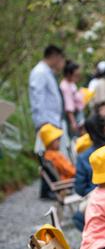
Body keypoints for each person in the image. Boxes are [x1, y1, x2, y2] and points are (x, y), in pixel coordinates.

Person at [29, 44, 68, 197]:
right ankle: (47, 190)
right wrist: (42, 123)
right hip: (46, 122)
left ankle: (50, 188)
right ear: (53, 56)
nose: (60, 62)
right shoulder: (39, 72)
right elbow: (37, 99)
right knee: (47, 157)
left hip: (51, 121)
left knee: (51, 155)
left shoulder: (46, 72)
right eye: (59, 58)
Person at [60, 60, 85, 136]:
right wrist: (73, 122)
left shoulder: (71, 83)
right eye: (76, 75)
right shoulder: (65, 86)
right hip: (73, 117)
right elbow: (69, 106)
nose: (78, 77)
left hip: (78, 114)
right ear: (68, 74)